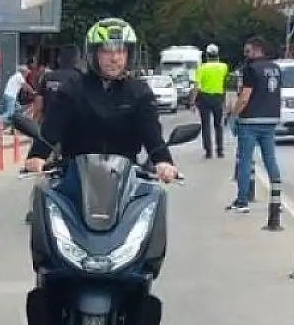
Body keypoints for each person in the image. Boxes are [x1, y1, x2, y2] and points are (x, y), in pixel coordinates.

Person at [20, 18, 179, 199]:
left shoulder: (139, 92)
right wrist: (37, 156)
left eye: (121, 51)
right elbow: (51, 129)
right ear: (94, 54)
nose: (115, 58)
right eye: (106, 51)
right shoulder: (72, 89)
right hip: (75, 183)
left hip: (126, 184)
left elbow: (152, 134)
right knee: (46, 201)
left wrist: (163, 161)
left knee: (155, 200)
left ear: (129, 55)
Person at [226, 36, 283, 212]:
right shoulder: (275, 68)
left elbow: (244, 97)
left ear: (258, 49)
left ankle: (242, 201)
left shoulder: (250, 69)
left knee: (245, 160)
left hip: (250, 120)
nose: (246, 54)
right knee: (270, 160)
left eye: (248, 51)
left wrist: (233, 116)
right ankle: (276, 199)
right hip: (270, 119)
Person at [193, 43, 230, 158]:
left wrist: (192, 101)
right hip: (218, 98)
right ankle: (220, 151)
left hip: (204, 98)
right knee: (218, 125)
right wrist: (225, 100)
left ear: (207, 55)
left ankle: (208, 151)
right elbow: (224, 83)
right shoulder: (224, 67)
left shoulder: (201, 68)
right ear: (217, 54)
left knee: (206, 125)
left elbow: (196, 86)